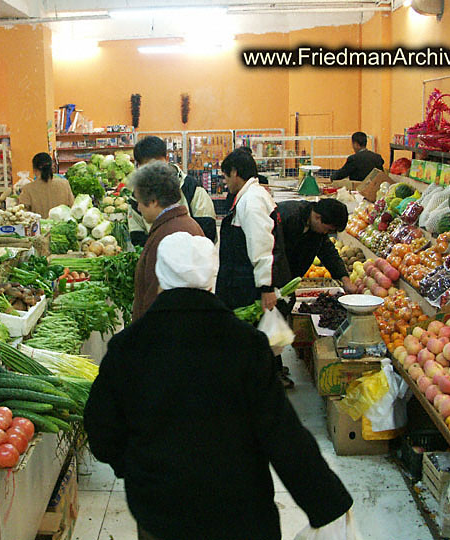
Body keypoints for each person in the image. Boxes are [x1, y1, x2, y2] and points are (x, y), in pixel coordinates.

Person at [85, 231, 353, 540]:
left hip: (161, 511)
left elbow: (101, 428)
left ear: (160, 279)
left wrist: (135, 469)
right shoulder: (247, 344)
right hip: (241, 511)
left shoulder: (128, 347)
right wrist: (327, 502)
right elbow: (282, 434)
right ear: (211, 280)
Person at [215, 148, 289, 313]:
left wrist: (266, 287)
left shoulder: (252, 200)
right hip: (244, 281)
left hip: (249, 286)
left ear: (234, 172)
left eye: (226, 176)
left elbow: (261, 244)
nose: (225, 182)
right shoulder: (251, 195)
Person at [130, 162, 205, 321]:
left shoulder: (172, 235)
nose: (138, 208)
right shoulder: (177, 225)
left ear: (154, 201)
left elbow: (158, 298)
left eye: (139, 201)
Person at [127, 136, 216, 246]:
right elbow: (137, 238)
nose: (153, 172)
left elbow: (208, 230)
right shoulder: (136, 196)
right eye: (147, 168)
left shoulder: (191, 187)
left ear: (167, 160)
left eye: (157, 165)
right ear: (139, 166)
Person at [277, 198, 357, 293]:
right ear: (318, 217)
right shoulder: (286, 216)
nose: (326, 233)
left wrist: (345, 279)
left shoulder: (316, 229)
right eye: (328, 230)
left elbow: (328, 253)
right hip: (268, 278)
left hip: (287, 282)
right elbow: (270, 252)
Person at [18, 152, 75, 218]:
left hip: (40, 227)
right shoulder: (64, 184)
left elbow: (22, 214)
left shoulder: (28, 189)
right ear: (52, 167)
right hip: (62, 226)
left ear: (34, 170)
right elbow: (72, 207)